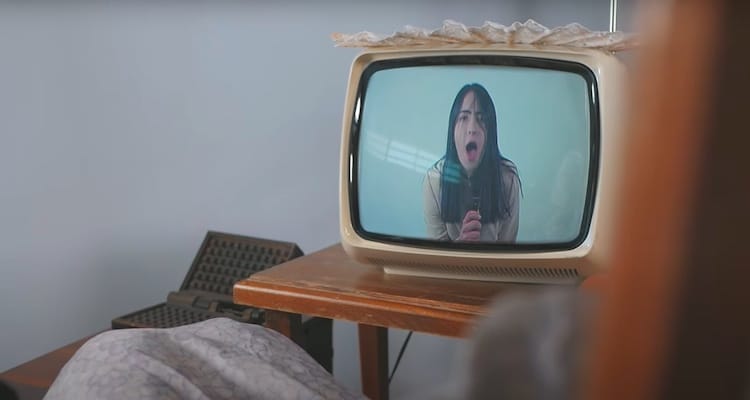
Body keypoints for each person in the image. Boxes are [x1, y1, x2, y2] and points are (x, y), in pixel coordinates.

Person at [423, 83, 521, 242]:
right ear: (452, 130)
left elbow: (508, 249)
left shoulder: (508, 179)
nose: (472, 128)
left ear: (491, 133)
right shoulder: (433, 181)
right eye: (463, 117)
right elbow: (436, 255)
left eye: (482, 119)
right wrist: (461, 244)